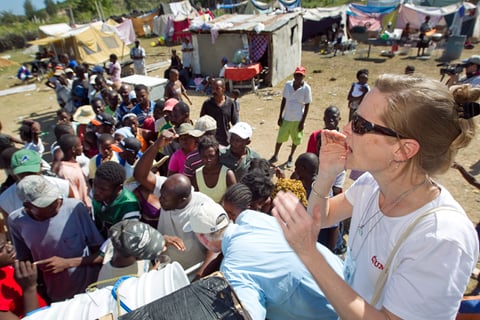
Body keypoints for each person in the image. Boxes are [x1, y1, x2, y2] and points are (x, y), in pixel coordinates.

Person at [271, 74, 479, 319]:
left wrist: (309, 254)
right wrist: (327, 174)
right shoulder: (372, 184)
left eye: (360, 125)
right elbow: (322, 217)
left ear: (403, 150)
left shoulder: (441, 238)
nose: (346, 128)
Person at [183, 200, 344, 320]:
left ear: (203, 238)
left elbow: (250, 315)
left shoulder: (234, 271)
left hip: (336, 312)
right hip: (349, 280)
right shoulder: (251, 217)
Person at [8, 175, 104, 302]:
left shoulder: (74, 208)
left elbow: (102, 254)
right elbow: (24, 260)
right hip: (56, 298)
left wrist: (66, 263)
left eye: (55, 198)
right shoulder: (16, 222)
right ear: (28, 206)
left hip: (90, 292)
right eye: (47, 204)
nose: (57, 204)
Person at [96, 220, 165, 288]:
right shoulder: (116, 286)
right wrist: (150, 276)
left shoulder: (116, 243)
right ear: (139, 258)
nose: (164, 248)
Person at [269, 66, 312, 168]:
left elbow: (307, 106)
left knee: (295, 140)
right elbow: (283, 100)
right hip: (287, 117)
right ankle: (275, 155)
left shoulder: (306, 89)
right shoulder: (288, 85)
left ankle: (291, 157)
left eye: (300, 75)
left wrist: (302, 122)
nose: (298, 77)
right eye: (297, 74)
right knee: (280, 138)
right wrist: (280, 116)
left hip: (297, 119)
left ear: (303, 77)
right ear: (294, 75)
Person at [0, 234, 47, 319]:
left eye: (7, 241)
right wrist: (29, 289)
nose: (10, 248)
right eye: (1, 249)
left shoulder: (6, 269)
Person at [92, 161, 141, 238]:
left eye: (103, 189)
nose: (96, 191)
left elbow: (128, 240)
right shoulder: (97, 194)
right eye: (94, 185)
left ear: (118, 188)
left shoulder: (129, 206)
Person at [192, 135, 236, 203]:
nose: (208, 160)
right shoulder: (197, 175)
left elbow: (234, 199)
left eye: (211, 156)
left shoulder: (227, 175)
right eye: (204, 157)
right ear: (200, 156)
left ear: (217, 154)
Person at [56, 134, 92, 209]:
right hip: (82, 209)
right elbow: (75, 199)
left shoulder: (73, 163)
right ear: (73, 149)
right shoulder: (67, 173)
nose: (82, 147)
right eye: (80, 145)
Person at [200, 78, 239, 146]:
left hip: (226, 140)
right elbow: (202, 122)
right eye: (212, 88)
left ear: (223, 89)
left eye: (217, 89)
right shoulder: (207, 104)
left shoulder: (230, 103)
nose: (214, 91)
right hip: (211, 141)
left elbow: (235, 123)